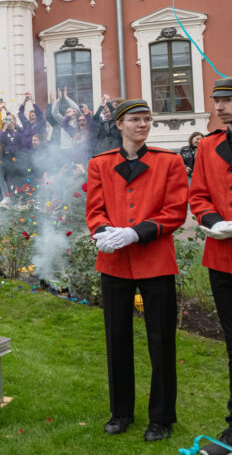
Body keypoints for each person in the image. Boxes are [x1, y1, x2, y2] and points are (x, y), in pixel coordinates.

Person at [86, 98, 188, 443]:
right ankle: (121, 412)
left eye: (147, 119)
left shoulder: (169, 161)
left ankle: (161, 417)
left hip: (155, 260)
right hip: (115, 262)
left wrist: (135, 232)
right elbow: (94, 210)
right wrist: (104, 233)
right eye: (135, 119)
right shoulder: (100, 163)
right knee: (116, 338)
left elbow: (175, 211)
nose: (143, 125)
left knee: (161, 341)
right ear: (119, 124)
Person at [187, 77, 232, 455]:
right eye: (217, 100)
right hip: (223, 259)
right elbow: (198, 194)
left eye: (227, 100)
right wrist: (214, 221)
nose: (219, 107)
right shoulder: (208, 145)